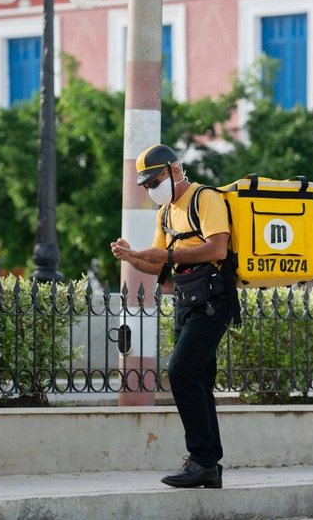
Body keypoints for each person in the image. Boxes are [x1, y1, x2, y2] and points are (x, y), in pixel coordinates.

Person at [111, 143, 233, 489]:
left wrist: (165, 253)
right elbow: (157, 262)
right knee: (199, 381)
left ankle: (200, 460)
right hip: (186, 297)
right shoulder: (165, 213)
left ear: (175, 170)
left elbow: (218, 247)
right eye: (147, 185)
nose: (152, 189)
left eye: (155, 180)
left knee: (180, 371)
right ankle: (210, 464)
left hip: (213, 296)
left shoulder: (203, 198)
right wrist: (131, 256)